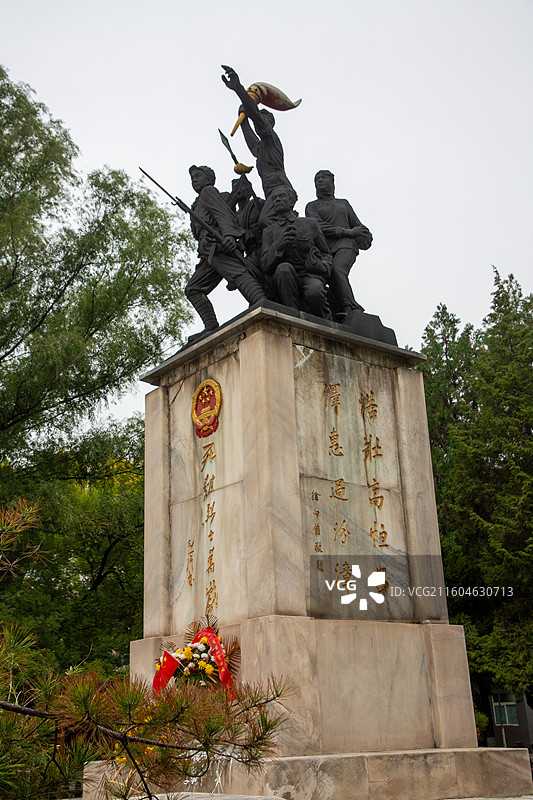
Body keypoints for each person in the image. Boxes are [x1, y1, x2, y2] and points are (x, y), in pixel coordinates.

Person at [185, 165, 267, 342]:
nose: (194, 179)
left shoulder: (208, 192)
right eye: (192, 178)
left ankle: (260, 301)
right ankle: (210, 326)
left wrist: (229, 235)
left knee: (237, 273)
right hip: (208, 251)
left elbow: (223, 214)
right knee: (193, 289)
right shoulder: (197, 203)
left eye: (198, 175)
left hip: (218, 245)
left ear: (209, 179)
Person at [221, 66, 294, 227]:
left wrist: (239, 90)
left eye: (261, 118)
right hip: (271, 192)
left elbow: (256, 117)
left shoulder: (270, 138)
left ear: (269, 122)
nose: (259, 120)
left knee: (265, 221)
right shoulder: (261, 147)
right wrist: (243, 120)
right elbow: (251, 141)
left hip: (281, 189)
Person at [305, 170, 372, 322]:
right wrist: (347, 231)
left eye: (323, 177)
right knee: (326, 277)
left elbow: (357, 225)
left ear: (332, 182)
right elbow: (318, 226)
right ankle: (336, 307)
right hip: (324, 249)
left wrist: (364, 235)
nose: (320, 180)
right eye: (317, 179)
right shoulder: (312, 207)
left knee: (337, 270)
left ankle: (350, 307)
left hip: (346, 245)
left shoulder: (343, 204)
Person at [261, 185, 332, 319]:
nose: (277, 200)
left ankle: (325, 322)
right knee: (283, 268)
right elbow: (265, 265)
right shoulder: (269, 232)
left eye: (281, 196)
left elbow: (326, 253)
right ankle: (292, 316)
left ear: (292, 201)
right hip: (285, 279)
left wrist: (323, 265)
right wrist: (278, 246)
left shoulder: (310, 224)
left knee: (314, 292)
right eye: (274, 198)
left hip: (310, 274)